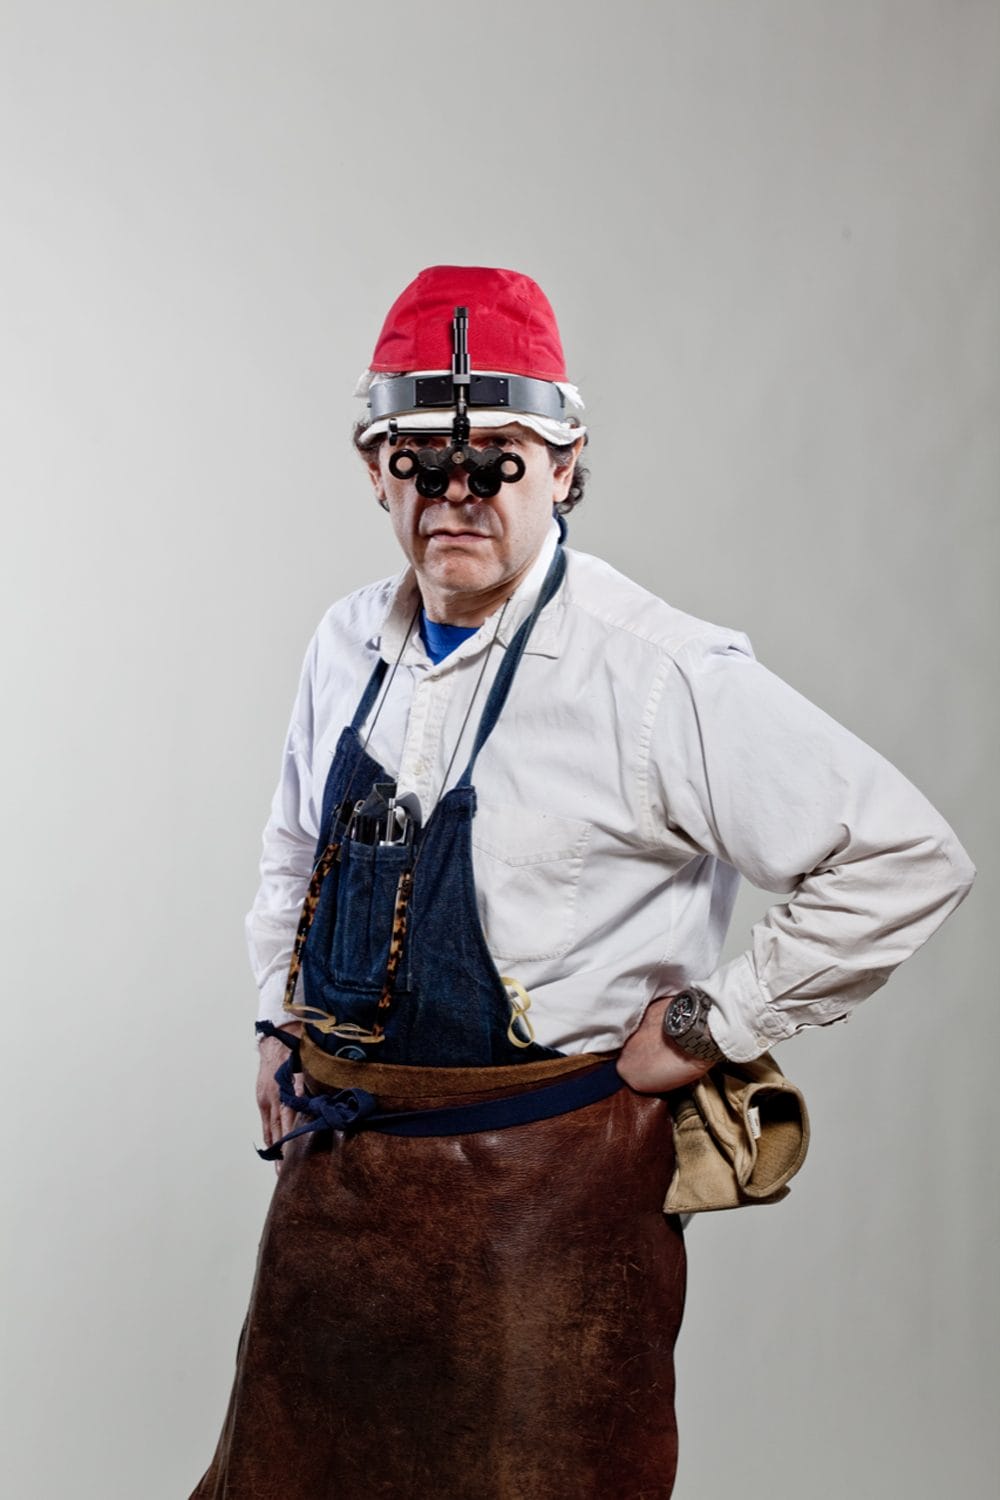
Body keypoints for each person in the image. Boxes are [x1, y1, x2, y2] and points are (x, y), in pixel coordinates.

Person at [191, 265, 975, 1500]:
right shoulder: (344, 644)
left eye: (495, 462)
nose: (456, 497)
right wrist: (273, 1020)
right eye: (418, 464)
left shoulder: (653, 676)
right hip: (335, 1204)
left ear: (562, 466)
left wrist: (716, 1020)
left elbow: (907, 854)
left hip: (547, 1220)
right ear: (373, 468)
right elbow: (295, 850)